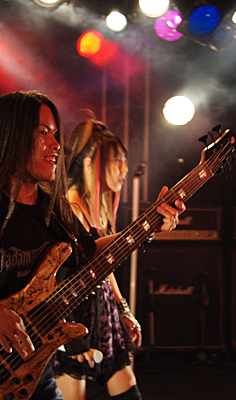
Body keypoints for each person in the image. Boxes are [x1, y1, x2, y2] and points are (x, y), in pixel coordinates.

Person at [0, 90, 184, 400]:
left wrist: (149, 225)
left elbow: (88, 253)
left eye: (55, 134)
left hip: (34, 374)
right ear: (11, 138)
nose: (56, 144)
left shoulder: (53, 211)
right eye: (43, 133)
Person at [53, 120, 141, 400]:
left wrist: (123, 309)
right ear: (90, 163)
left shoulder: (97, 210)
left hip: (103, 313)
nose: (124, 168)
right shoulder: (70, 209)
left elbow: (104, 264)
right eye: (117, 160)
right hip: (75, 317)